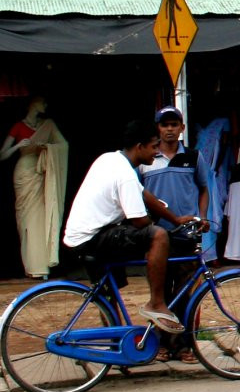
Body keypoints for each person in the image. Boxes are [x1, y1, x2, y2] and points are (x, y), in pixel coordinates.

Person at [62, 119, 190, 332]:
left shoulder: (110, 159)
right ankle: (157, 303)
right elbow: (140, 221)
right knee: (158, 236)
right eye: (153, 146)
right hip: (94, 238)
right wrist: (163, 231)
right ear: (139, 147)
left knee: (108, 294)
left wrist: (176, 219)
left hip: (81, 236)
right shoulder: (126, 176)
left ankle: (116, 344)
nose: (156, 151)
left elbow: (145, 195)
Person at [1, 94, 68, 278]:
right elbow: (2, 154)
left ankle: (42, 266)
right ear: (32, 104)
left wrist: (47, 147)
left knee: (39, 217)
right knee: (26, 220)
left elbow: (63, 145)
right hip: (24, 172)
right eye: (42, 101)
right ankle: (31, 266)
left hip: (41, 173)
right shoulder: (18, 126)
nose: (45, 104)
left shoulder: (47, 125)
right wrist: (18, 146)